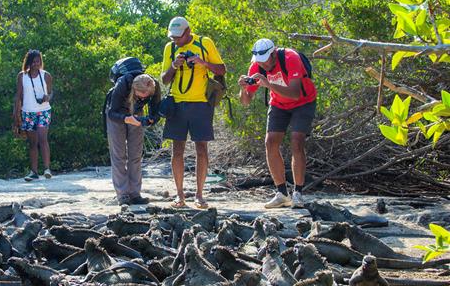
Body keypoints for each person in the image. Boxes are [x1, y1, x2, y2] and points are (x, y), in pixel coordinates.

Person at [238, 38, 317, 208]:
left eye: (265, 61)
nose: (263, 66)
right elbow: (245, 101)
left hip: (303, 102)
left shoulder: (290, 58)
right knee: (270, 142)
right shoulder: (257, 66)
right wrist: (243, 87)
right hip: (279, 105)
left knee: (297, 141)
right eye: (259, 62)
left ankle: (298, 193)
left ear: (273, 54)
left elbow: (295, 93)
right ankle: (282, 193)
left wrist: (268, 84)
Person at [161, 16, 226, 209]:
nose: (176, 41)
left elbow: (222, 69)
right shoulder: (170, 48)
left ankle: (199, 195)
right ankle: (179, 195)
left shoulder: (204, 43)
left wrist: (202, 62)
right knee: (177, 150)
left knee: (201, 149)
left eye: (179, 37)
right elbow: (164, 80)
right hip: (177, 104)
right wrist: (174, 65)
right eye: (173, 37)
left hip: (201, 104)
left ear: (188, 32)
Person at [106, 73, 161, 205]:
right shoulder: (123, 85)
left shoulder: (155, 86)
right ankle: (123, 195)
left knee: (135, 155)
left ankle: (135, 194)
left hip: (136, 114)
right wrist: (126, 119)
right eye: (140, 94)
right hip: (117, 116)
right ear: (133, 88)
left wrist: (150, 120)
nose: (143, 97)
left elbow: (155, 112)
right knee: (119, 155)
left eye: (146, 96)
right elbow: (111, 112)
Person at [13, 49, 53, 181]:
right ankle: (34, 172)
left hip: (43, 111)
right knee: (32, 143)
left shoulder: (46, 75)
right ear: (29, 62)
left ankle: (47, 169)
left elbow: (51, 92)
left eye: (38, 61)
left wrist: (48, 97)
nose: (36, 64)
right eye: (34, 61)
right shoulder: (22, 76)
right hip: (28, 112)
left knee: (43, 139)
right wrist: (16, 115)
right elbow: (18, 96)